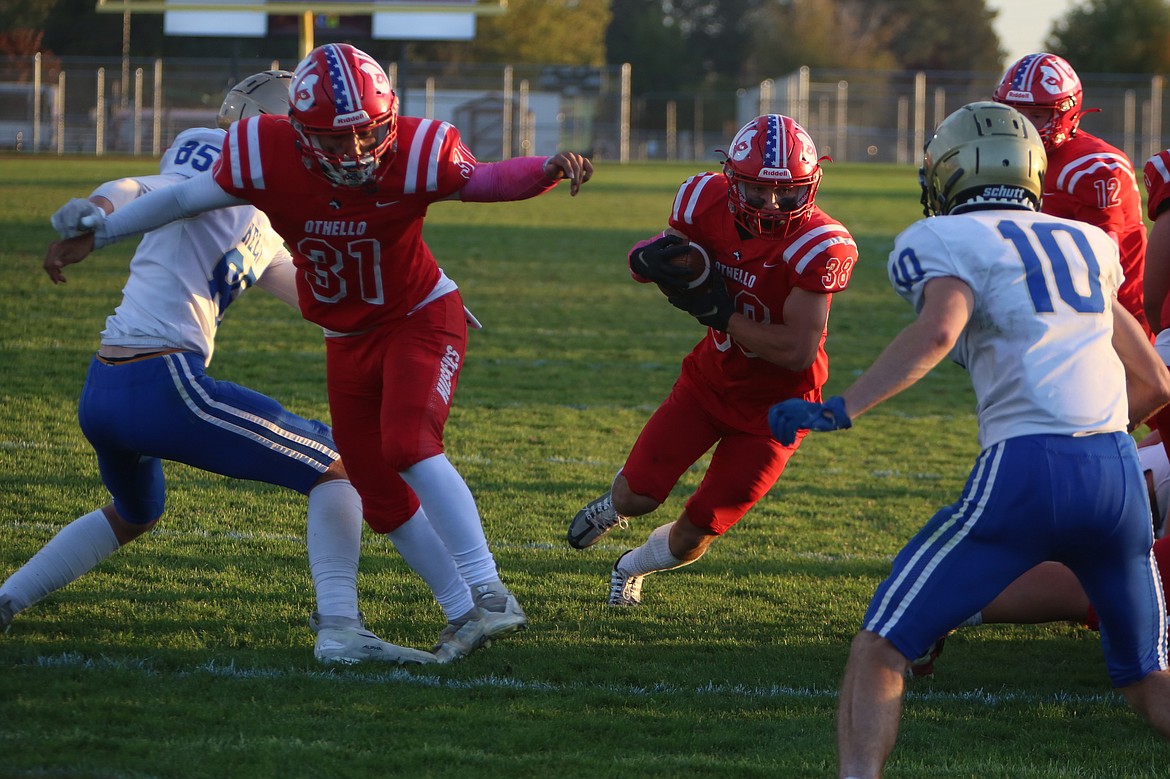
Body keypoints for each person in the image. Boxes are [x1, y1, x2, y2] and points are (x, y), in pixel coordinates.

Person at [43, 43, 594, 660]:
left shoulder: (416, 149)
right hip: (347, 336)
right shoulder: (262, 151)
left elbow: (485, 178)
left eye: (366, 134)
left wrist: (546, 169)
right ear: (298, 129)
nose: (355, 152)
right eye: (335, 140)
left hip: (417, 316)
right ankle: (462, 613)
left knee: (408, 446)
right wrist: (101, 230)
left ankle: (491, 592)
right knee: (375, 492)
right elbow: (176, 198)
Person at [768, 101, 1170, 778]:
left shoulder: (944, 239)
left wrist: (846, 406)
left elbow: (939, 330)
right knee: (1146, 680)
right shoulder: (1088, 242)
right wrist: (1086, 431)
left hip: (1025, 466)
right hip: (1114, 472)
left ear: (947, 174)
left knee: (881, 646)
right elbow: (1156, 382)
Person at [4, 70, 438, 666]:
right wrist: (96, 213)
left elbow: (322, 302)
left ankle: (6, 600)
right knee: (339, 466)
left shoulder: (265, 215)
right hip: (162, 380)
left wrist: (414, 312)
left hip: (105, 387)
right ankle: (340, 629)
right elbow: (141, 185)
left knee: (136, 512)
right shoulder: (212, 168)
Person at [565, 114, 858, 606]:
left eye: (787, 192)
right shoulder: (702, 199)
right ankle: (612, 507)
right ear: (731, 179)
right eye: (758, 190)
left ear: (811, 185)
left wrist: (718, 313)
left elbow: (795, 350)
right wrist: (643, 259)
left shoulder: (819, 243)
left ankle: (629, 567)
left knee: (696, 532)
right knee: (637, 495)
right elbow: (671, 258)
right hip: (709, 383)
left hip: (777, 411)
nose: (771, 203)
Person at [909, 439, 1170, 677]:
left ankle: (946, 596)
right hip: (1114, 483)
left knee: (1107, 581)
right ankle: (943, 604)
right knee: (1113, 587)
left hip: (1109, 471)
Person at [993, 52, 1150, 337]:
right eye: (1014, 113)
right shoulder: (1011, 159)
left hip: (1114, 319)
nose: (1022, 126)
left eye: (1037, 114)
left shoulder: (1093, 167)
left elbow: (1104, 266)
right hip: (1049, 309)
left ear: (1067, 111)